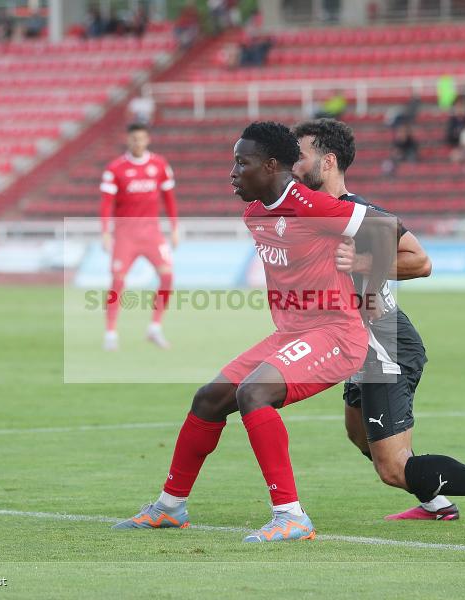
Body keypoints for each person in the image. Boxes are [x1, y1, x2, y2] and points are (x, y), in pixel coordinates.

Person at [113, 121, 399, 542]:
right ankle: (170, 507)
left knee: (254, 393)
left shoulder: (309, 204)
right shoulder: (254, 212)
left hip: (336, 334)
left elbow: (385, 228)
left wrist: (366, 282)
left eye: (240, 163)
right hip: (291, 334)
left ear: (270, 166)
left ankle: (291, 516)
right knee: (209, 399)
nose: (232, 172)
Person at [291, 118, 465, 533]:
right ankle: (436, 502)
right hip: (360, 347)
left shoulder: (363, 214)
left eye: (301, 156)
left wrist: (365, 262)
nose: (294, 165)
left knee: (392, 467)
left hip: (385, 344)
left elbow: (421, 262)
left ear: (328, 161)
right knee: (358, 433)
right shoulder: (321, 214)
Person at [100, 123, 178, 351]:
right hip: (125, 235)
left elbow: (169, 199)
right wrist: (105, 232)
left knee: (167, 276)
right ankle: (111, 333)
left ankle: (154, 328)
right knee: (117, 280)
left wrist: (174, 228)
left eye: (142, 138)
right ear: (129, 140)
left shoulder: (160, 165)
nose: (138, 142)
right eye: (134, 139)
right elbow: (106, 204)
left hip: (152, 233)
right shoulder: (115, 169)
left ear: (147, 139)